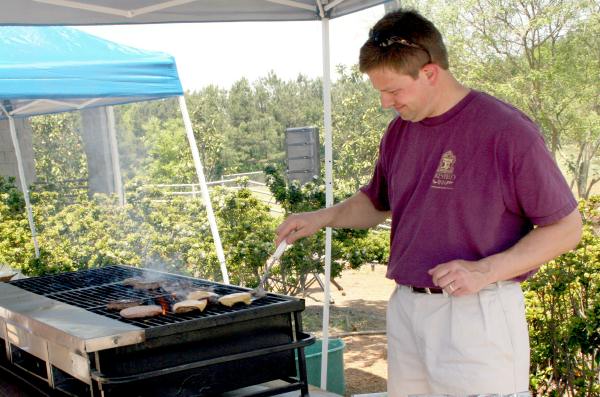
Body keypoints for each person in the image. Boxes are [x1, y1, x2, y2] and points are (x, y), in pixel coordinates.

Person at [275, 8, 583, 397]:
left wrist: (484, 271)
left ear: (430, 72)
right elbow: (375, 202)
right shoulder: (399, 132)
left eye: (393, 90)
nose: (386, 102)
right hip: (408, 309)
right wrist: (323, 217)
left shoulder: (506, 131)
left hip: (478, 313)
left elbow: (567, 228)